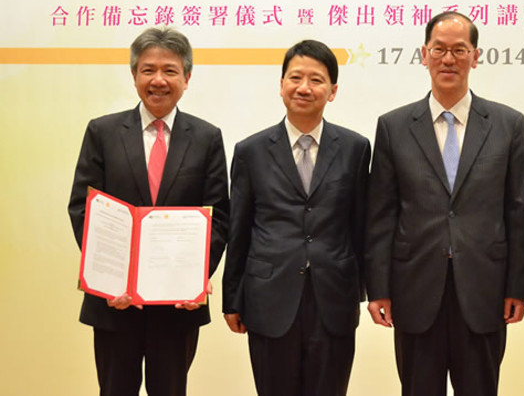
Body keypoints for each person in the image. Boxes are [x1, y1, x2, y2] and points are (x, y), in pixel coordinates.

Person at [364, 11, 524, 396]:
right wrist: (378, 288)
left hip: (485, 289)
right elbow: (381, 215)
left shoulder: (508, 123)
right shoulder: (393, 125)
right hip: (414, 288)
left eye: (460, 49)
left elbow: (516, 209)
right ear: (424, 54)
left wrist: (518, 285)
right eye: (439, 49)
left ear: (476, 56)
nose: (448, 59)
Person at [68, 26, 229, 396]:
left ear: (187, 78)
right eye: (148, 70)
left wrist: (196, 277)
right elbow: (82, 207)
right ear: (134, 75)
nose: (158, 80)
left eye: (170, 71)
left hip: (177, 305)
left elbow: (219, 214)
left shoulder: (206, 138)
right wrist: (107, 277)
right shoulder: (103, 132)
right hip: (114, 304)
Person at [222, 40, 370, 396]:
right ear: (281, 84)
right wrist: (232, 298)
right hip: (268, 297)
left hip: (333, 298)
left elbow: (361, 226)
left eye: (316, 80)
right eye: (295, 77)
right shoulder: (251, 151)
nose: (304, 88)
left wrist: (369, 292)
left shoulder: (355, 148)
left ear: (332, 91)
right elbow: (239, 228)